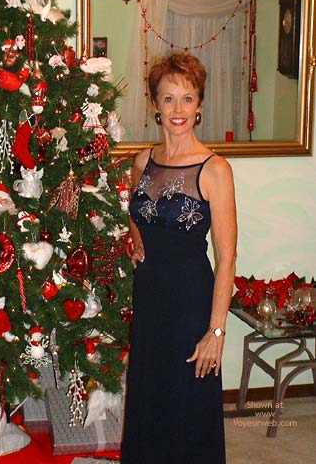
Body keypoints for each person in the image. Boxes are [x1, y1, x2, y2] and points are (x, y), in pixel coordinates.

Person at [121, 52, 237, 463]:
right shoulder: (144, 161)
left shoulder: (214, 169)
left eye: (187, 98)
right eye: (168, 98)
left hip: (191, 304)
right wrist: (137, 239)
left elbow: (227, 259)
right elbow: (135, 209)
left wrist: (216, 331)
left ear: (199, 105)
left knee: (187, 406)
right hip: (149, 299)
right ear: (155, 104)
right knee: (149, 398)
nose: (178, 109)